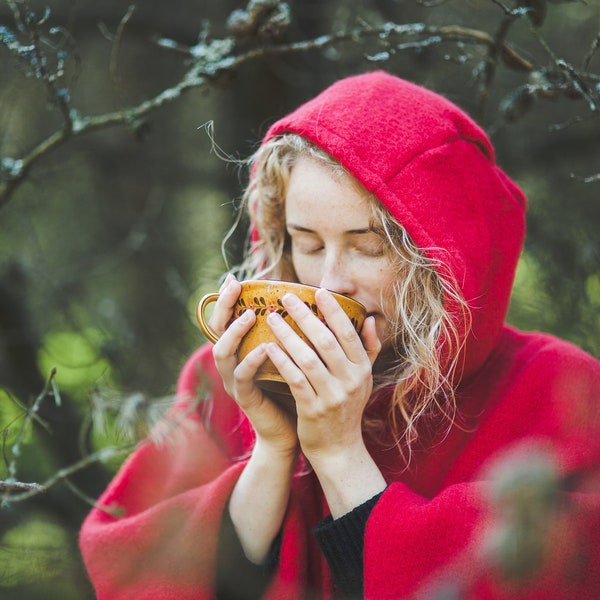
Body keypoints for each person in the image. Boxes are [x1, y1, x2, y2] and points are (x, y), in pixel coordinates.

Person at [79, 71, 600, 599]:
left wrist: (338, 454)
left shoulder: (558, 389)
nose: (329, 284)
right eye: (307, 244)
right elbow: (140, 575)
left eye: (369, 246)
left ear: (446, 256)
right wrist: (273, 450)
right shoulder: (230, 376)